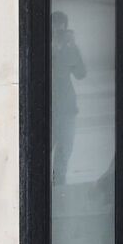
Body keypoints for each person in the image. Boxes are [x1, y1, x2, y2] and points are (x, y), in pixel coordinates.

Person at [50, 10, 86, 186]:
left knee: (64, 152)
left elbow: (81, 73)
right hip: (47, 108)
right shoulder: (43, 46)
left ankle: (58, 189)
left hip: (67, 108)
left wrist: (71, 50)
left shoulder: (69, 47)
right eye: (54, 27)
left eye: (61, 28)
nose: (57, 31)